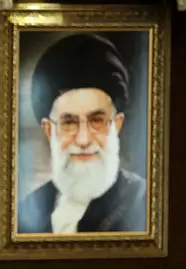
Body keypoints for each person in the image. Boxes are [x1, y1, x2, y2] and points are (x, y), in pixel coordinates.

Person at [18, 33, 147, 234]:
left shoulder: (144, 202)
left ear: (117, 125)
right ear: (49, 130)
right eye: (69, 122)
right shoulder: (26, 210)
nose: (83, 139)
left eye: (97, 121)